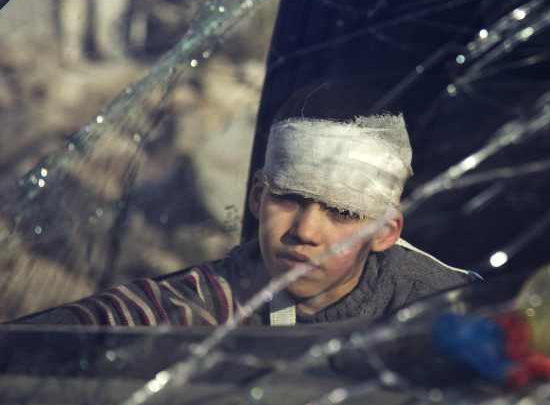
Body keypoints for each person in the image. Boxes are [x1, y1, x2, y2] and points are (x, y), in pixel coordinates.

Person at [12, 79, 476, 326]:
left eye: (343, 212)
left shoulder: (450, 308)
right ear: (257, 196)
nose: (306, 232)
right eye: (290, 198)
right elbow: (106, 324)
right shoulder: (215, 299)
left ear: (386, 232)